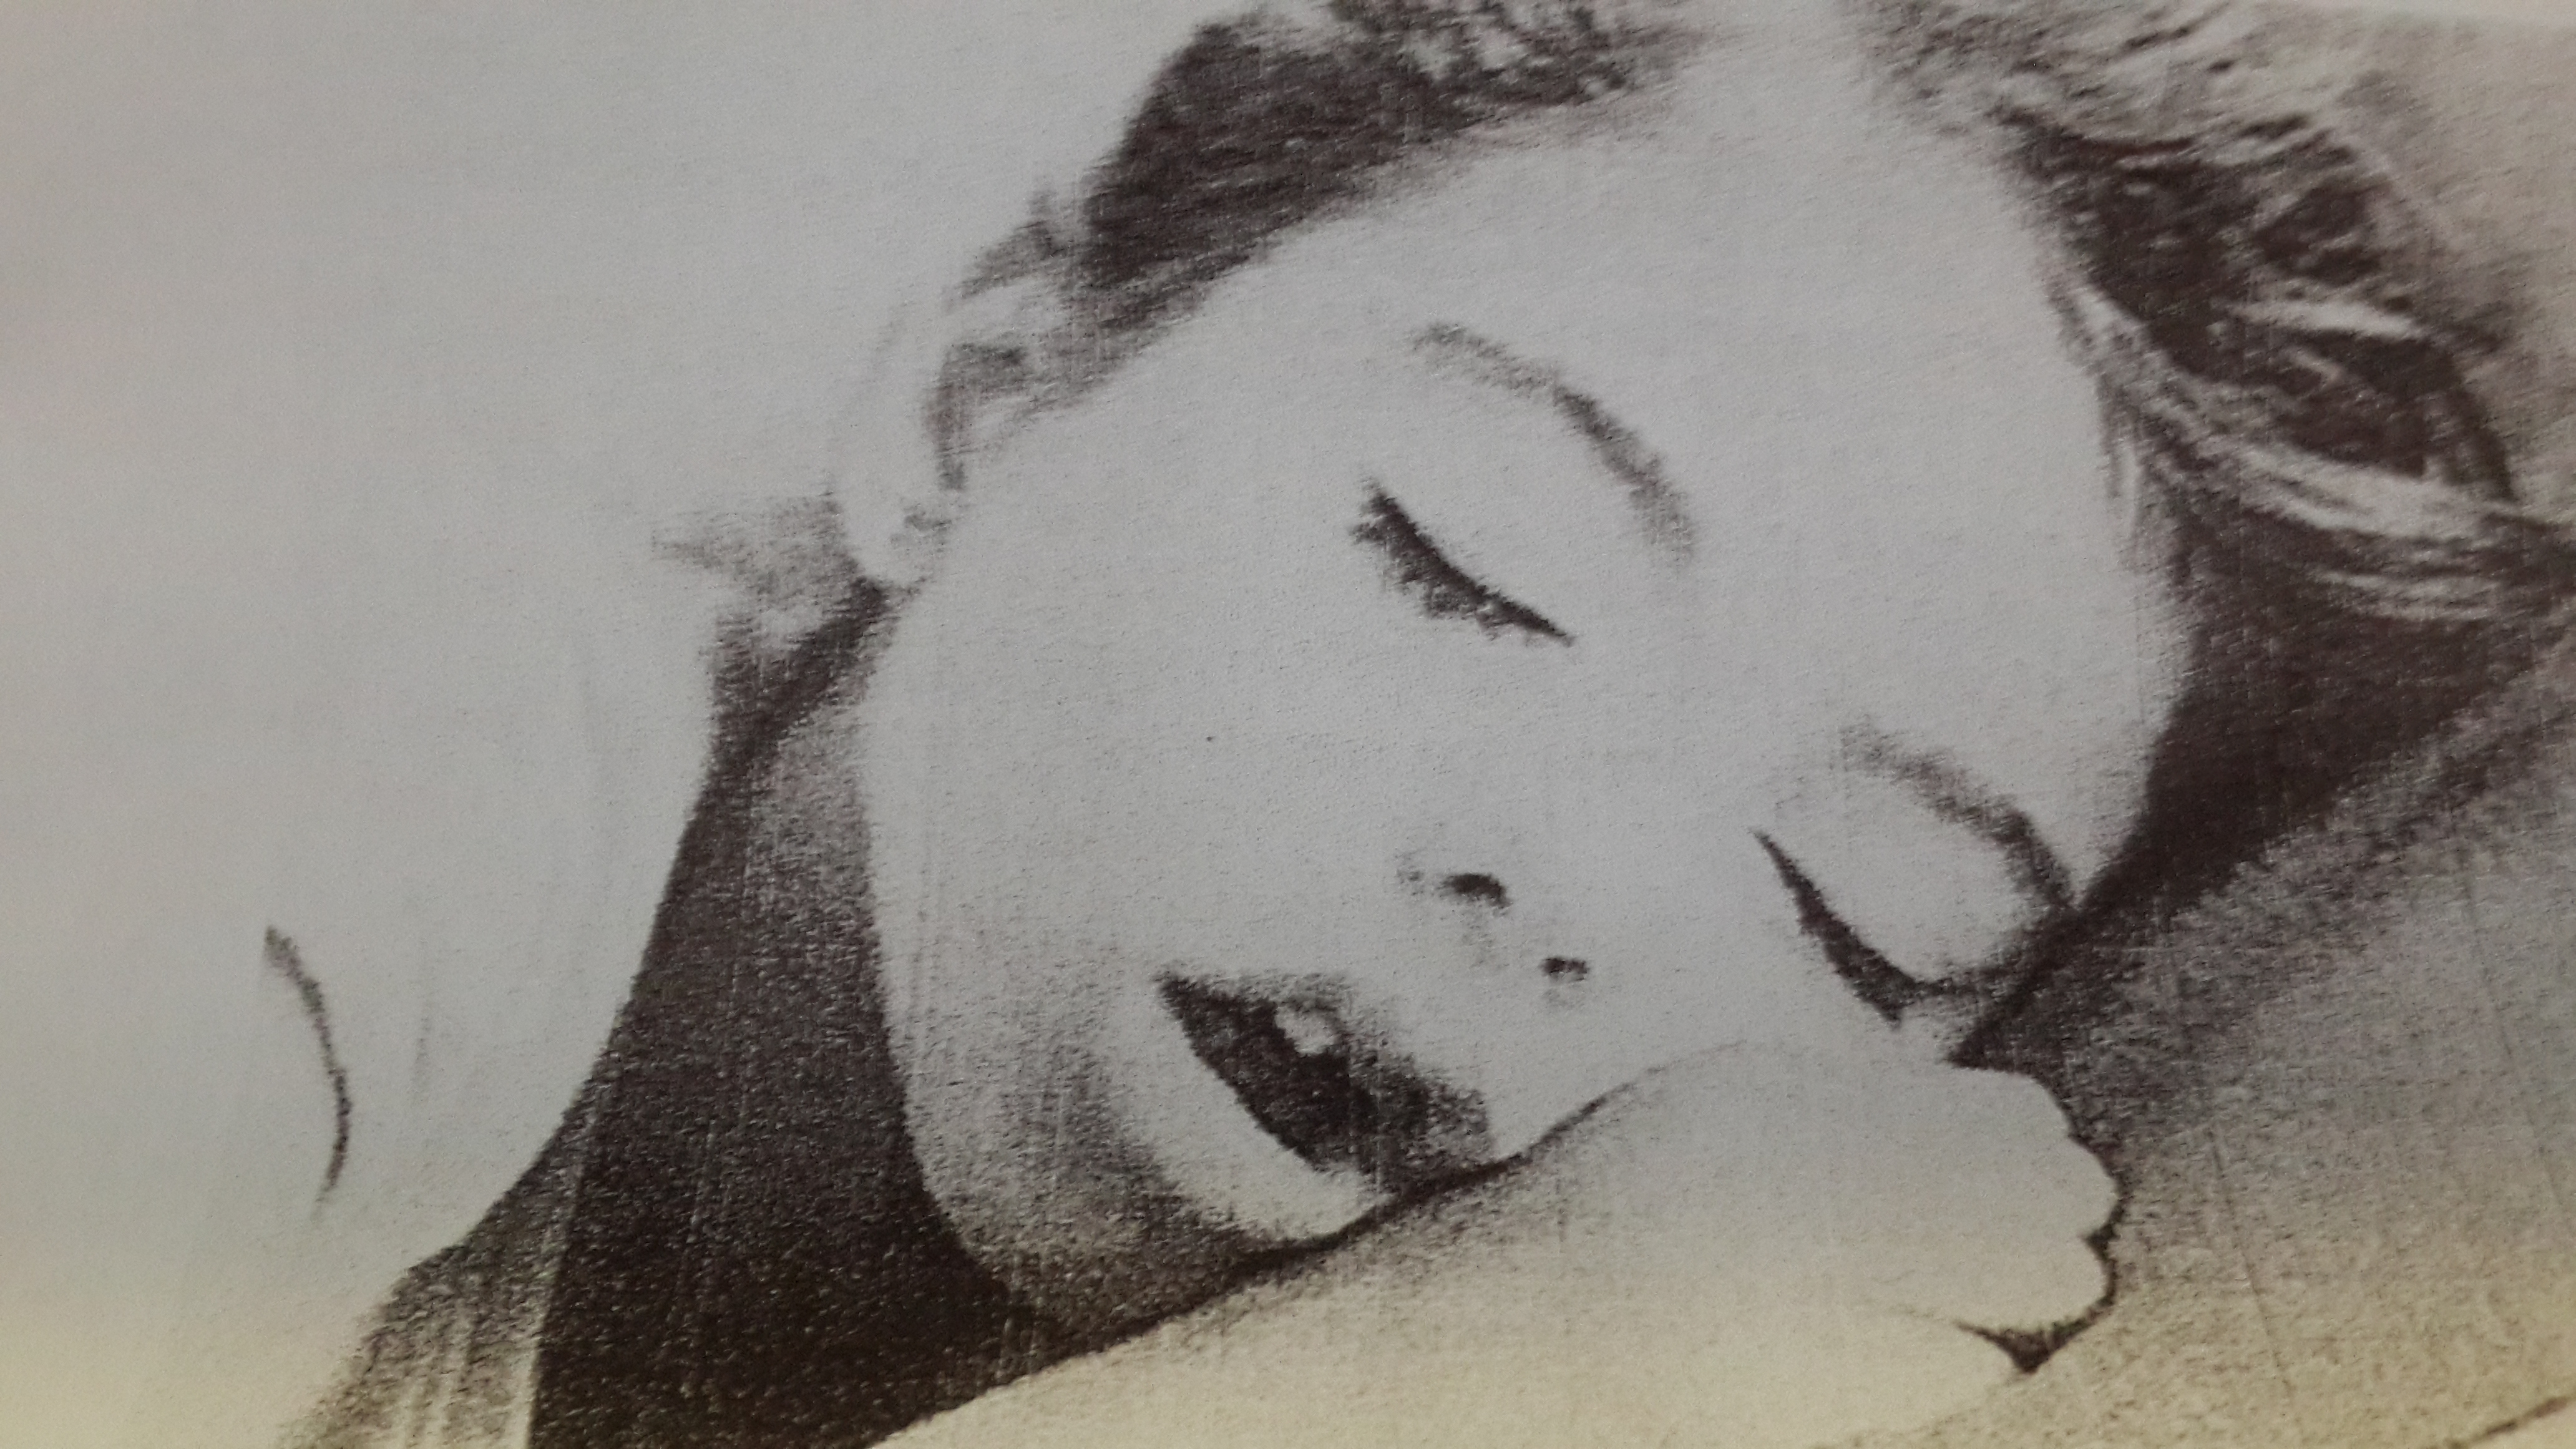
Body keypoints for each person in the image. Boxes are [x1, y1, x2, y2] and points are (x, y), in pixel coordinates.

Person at [290, 2, 2576, 1447]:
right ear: (985, 398)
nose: (1566, 882)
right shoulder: (337, 753)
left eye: (1859, 914)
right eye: (1469, 563)